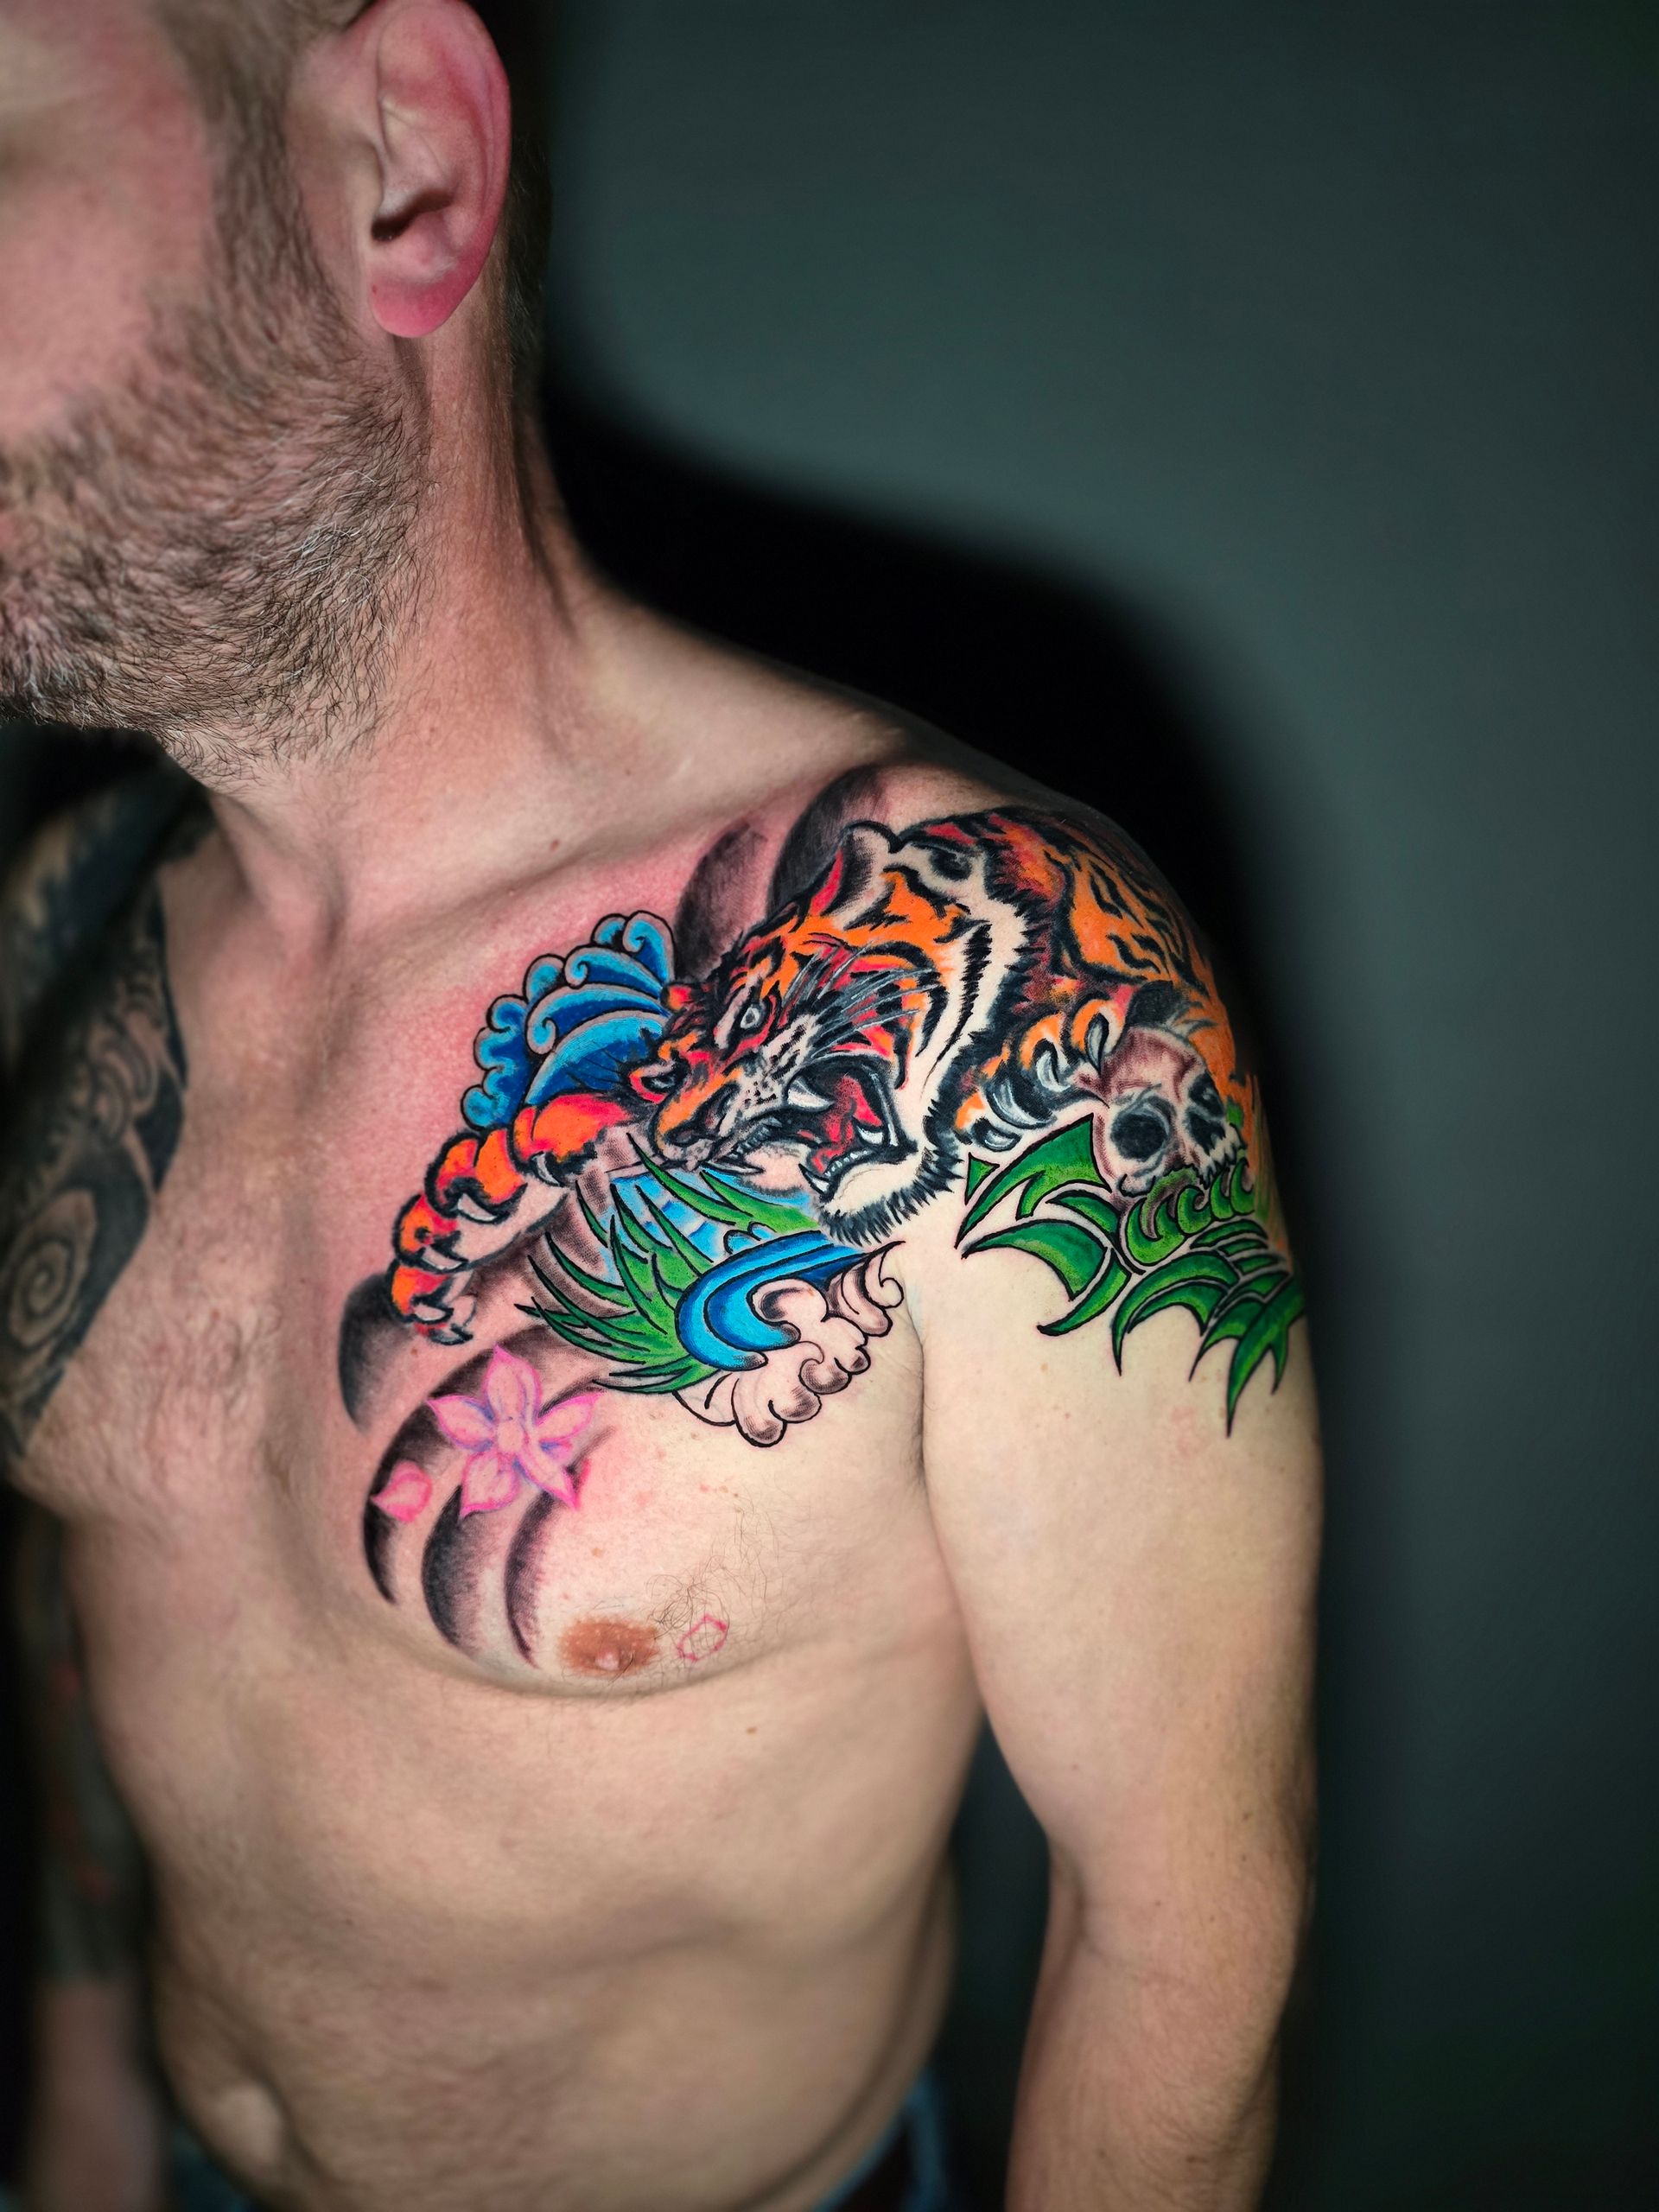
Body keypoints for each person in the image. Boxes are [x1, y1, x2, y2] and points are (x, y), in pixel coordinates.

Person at [0, 2, 1323, 2207]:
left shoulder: (1037, 981)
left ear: (405, 165)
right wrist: (75, 2087)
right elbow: (89, 1576)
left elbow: (1183, 1925)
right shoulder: (65, 920)